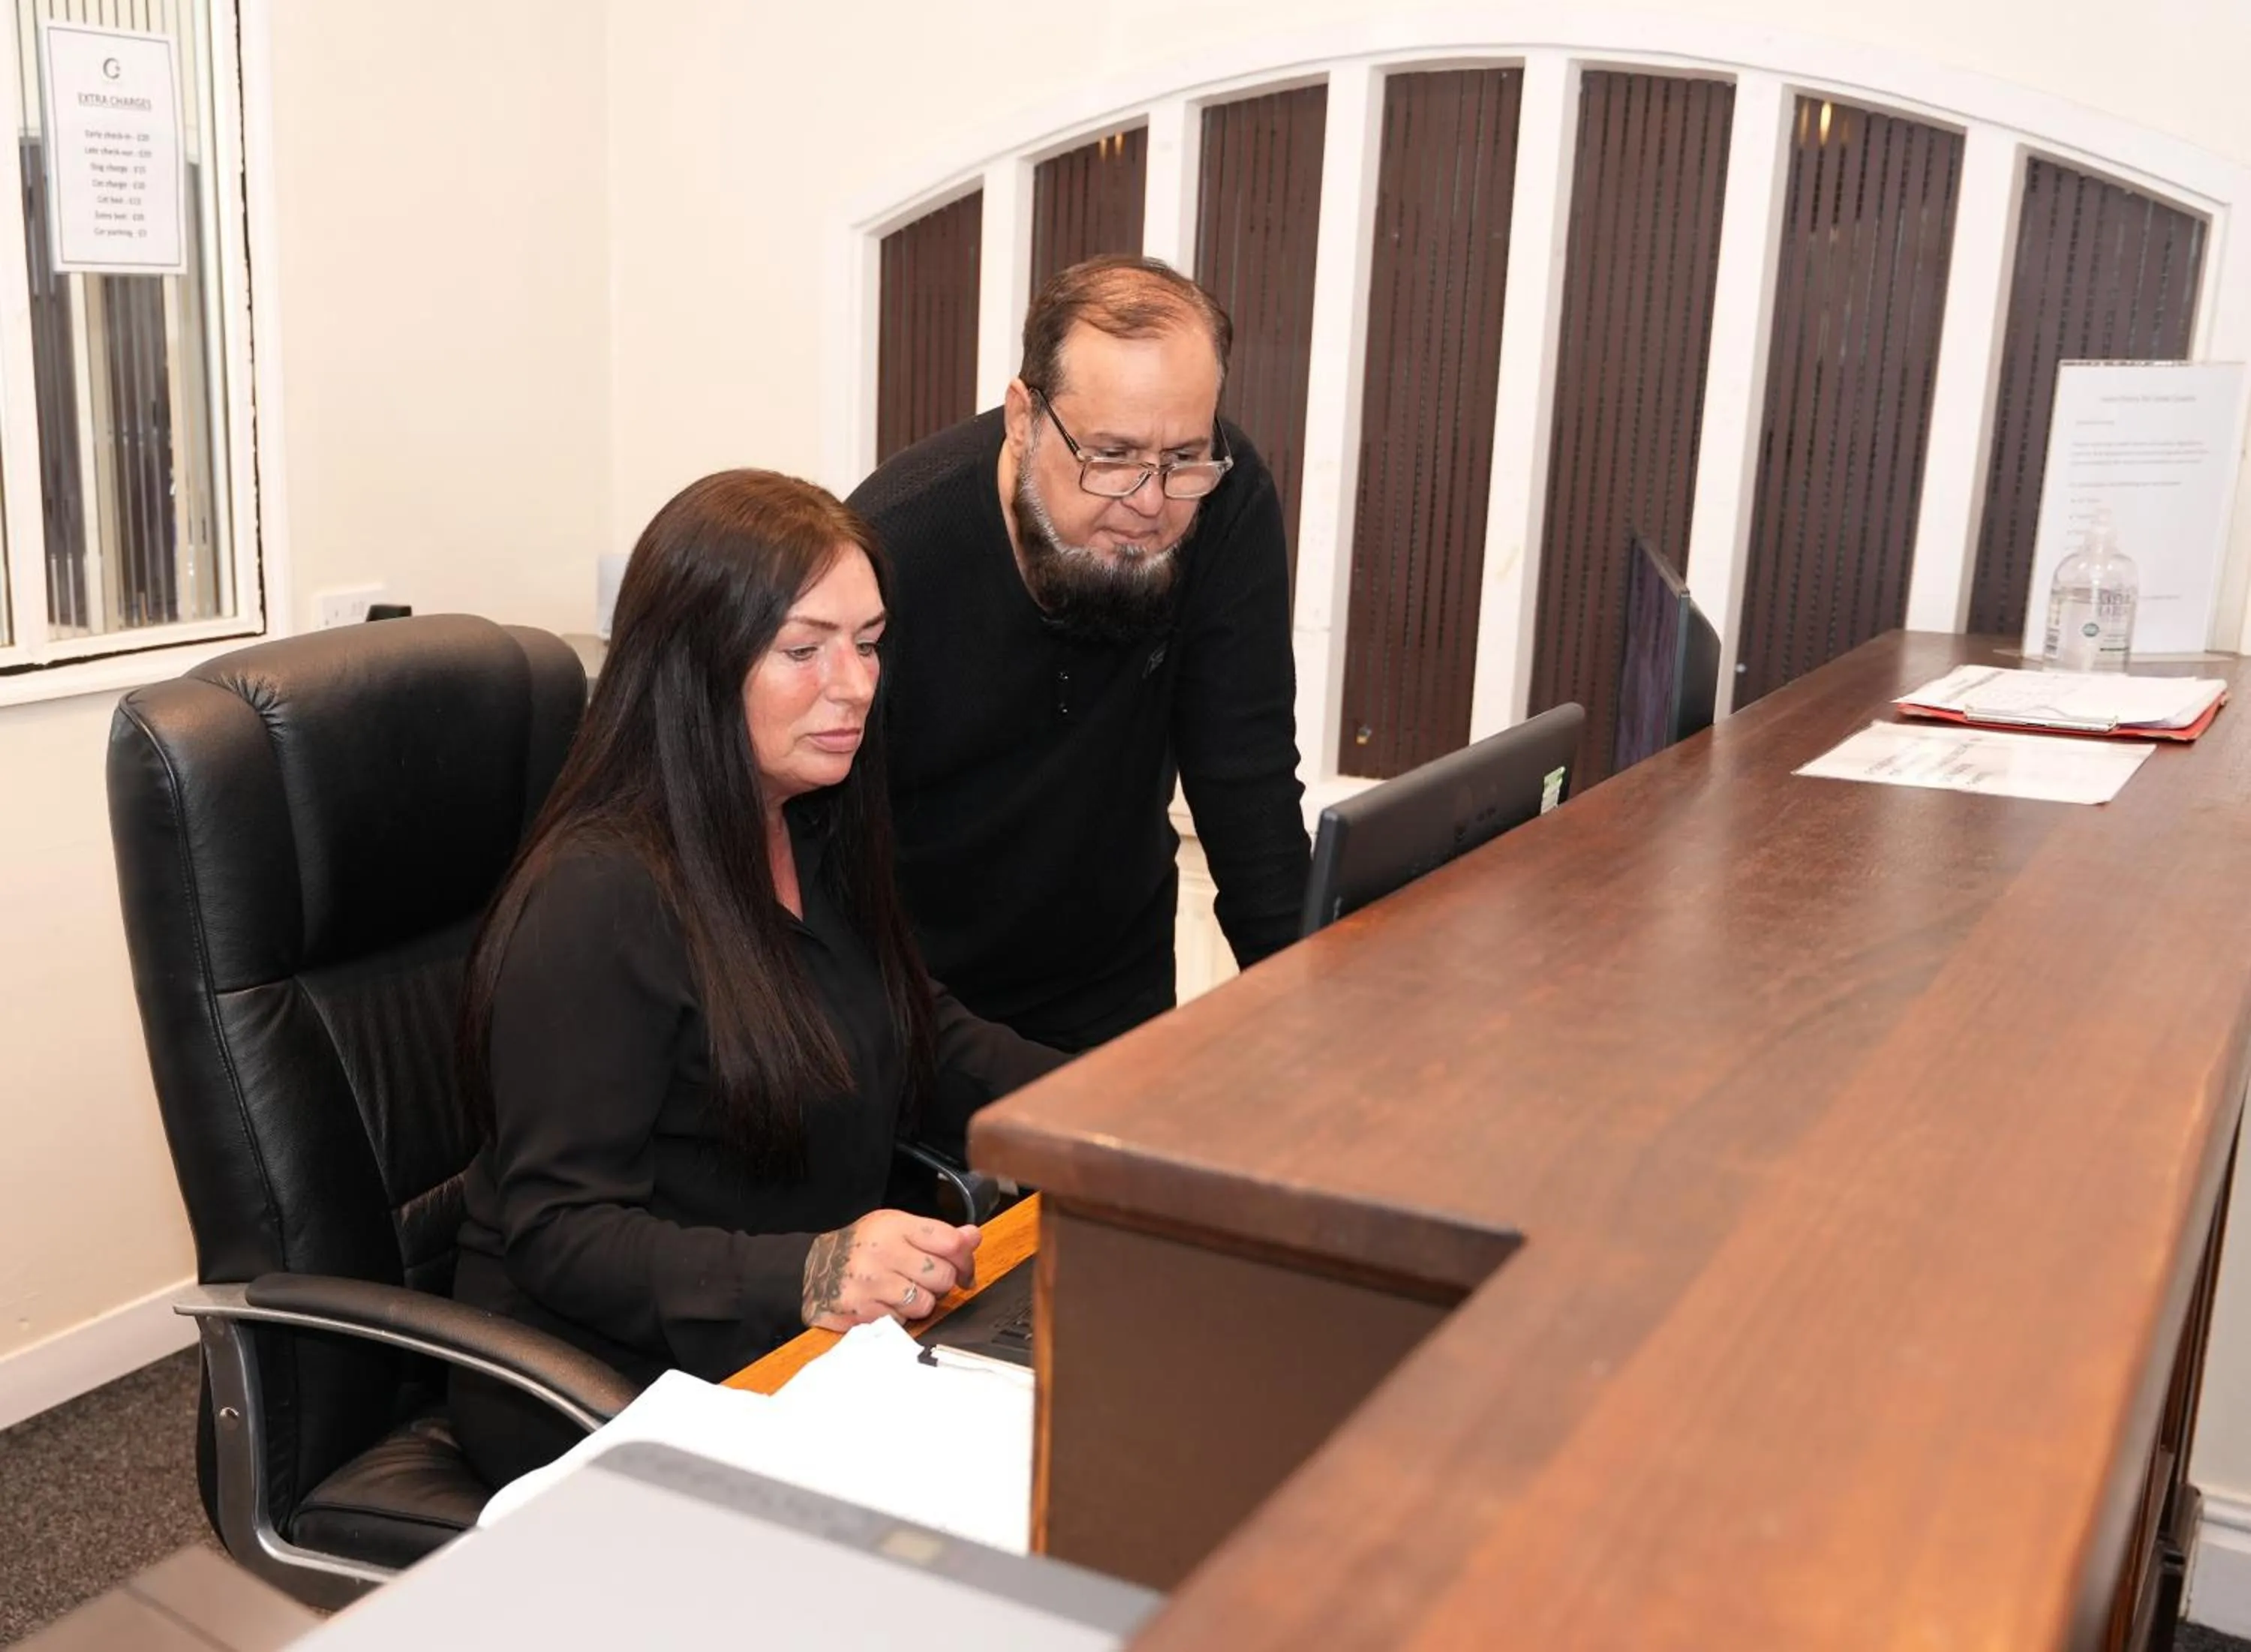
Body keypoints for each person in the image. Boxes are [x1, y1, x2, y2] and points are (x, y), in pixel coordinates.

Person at [449, 470, 1063, 1488]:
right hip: (603, 1377)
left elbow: (922, 1034)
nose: (855, 684)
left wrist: (1114, 1111)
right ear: (695, 664)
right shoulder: (597, 895)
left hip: (794, 1344)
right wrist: (814, 1269)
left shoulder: (811, 821)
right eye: (803, 649)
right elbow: (561, 1233)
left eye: (868, 643)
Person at [851, 255, 1311, 1053]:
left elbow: (1250, 788)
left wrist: (1322, 1027)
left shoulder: (1226, 499)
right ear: (1023, 419)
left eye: (1182, 457)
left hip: (1115, 994)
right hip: (914, 1010)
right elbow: (821, 877)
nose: (1150, 502)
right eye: (1112, 456)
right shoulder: (892, 551)